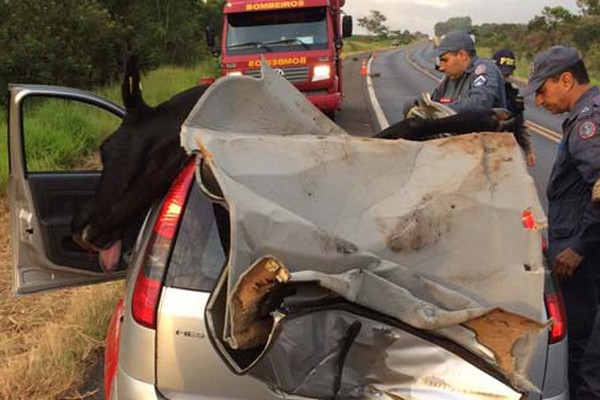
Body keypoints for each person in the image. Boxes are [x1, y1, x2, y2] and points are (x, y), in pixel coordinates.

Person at [523, 45, 600, 400]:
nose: (539, 100)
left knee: (581, 352)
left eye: (543, 89)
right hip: (582, 249)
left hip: (583, 259)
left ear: (566, 80)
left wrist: (578, 248)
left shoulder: (588, 122)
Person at [429, 31, 507, 113]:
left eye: (445, 60)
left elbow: (480, 103)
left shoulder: (484, 69)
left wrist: (442, 110)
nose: (441, 68)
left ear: (462, 55)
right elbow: (433, 103)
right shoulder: (449, 78)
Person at [492, 49, 537, 166]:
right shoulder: (482, 91)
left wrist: (528, 150)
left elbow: (519, 123)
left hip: (504, 150)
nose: (503, 77)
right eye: (500, 73)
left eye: (506, 74)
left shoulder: (513, 92)